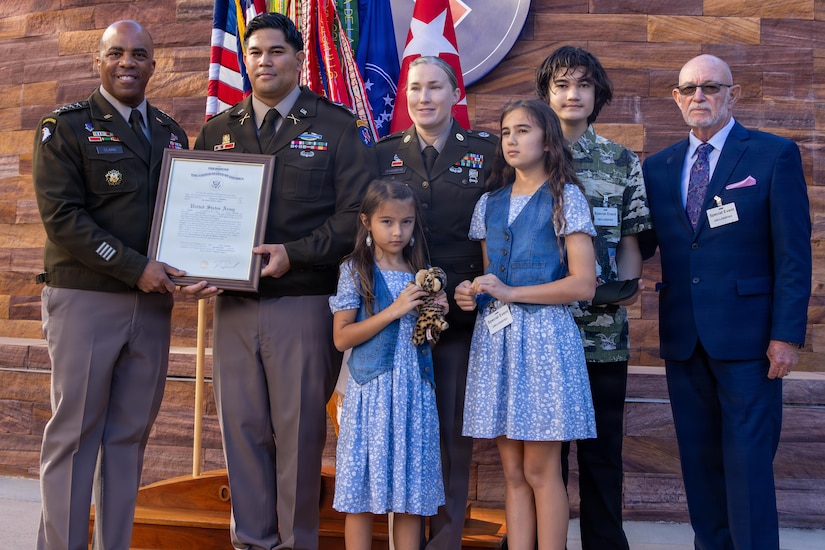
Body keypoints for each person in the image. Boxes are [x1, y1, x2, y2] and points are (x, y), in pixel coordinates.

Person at [189, 12, 377, 550]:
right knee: (242, 431)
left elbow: (355, 218)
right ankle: (252, 540)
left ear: (298, 60)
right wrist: (194, 264)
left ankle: (296, 543)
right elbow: (197, 212)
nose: (264, 61)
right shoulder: (219, 131)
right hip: (232, 305)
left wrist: (293, 255)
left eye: (276, 51)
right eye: (254, 53)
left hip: (303, 301)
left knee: (297, 437)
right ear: (243, 61)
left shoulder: (336, 126)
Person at [641, 54, 811, 549]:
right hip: (683, 338)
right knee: (699, 463)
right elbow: (642, 244)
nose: (700, 97)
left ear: (731, 94)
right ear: (675, 98)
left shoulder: (772, 155)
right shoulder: (658, 166)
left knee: (748, 464)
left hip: (751, 343)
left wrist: (786, 336)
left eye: (711, 88)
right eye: (690, 88)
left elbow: (794, 256)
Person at [31, 20, 188, 550]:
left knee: (127, 440)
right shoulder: (65, 128)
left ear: (152, 63)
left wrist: (199, 270)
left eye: (139, 54)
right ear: (96, 61)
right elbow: (63, 219)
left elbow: (184, 221)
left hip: (150, 308)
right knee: (75, 438)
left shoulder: (170, 133)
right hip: (87, 300)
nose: (128, 62)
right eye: (116, 53)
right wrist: (134, 267)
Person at [455, 99, 598, 550]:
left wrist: (511, 293)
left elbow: (583, 284)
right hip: (497, 340)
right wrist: (470, 292)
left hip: (543, 340)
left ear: (548, 143)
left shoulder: (565, 197)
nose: (512, 140)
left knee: (541, 470)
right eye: (505, 132)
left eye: (522, 131)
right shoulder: (489, 204)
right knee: (513, 472)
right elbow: (491, 277)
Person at [376, 55, 497, 550]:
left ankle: (444, 541)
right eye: (415, 88)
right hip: (393, 316)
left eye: (435, 88)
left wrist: (477, 288)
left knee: (449, 433)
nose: (424, 98)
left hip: (459, 317)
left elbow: (500, 230)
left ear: (454, 94)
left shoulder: (488, 153)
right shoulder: (381, 154)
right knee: (400, 429)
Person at [536, 46, 652, 550]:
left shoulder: (620, 161)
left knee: (602, 451)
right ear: (546, 94)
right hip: (539, 333)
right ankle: (541, 539)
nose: (572, 94)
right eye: (561, 84)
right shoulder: (524, 157)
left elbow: (631, 240)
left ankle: (605, 542)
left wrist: (620, 292)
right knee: (543, 453)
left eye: (582, 84)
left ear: (597, 93)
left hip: (601, 336)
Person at [329, 179, 446, 550]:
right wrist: (393, 311)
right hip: (372, 393)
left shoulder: (421, 270)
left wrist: (435, 314)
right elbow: (341, 337)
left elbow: (426, 337)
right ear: (366, 221)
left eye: (407, 222)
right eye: (387, 222)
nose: (398, 232)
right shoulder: (355, 270)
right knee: (360, 495)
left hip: (414, 390)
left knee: (411, 497)